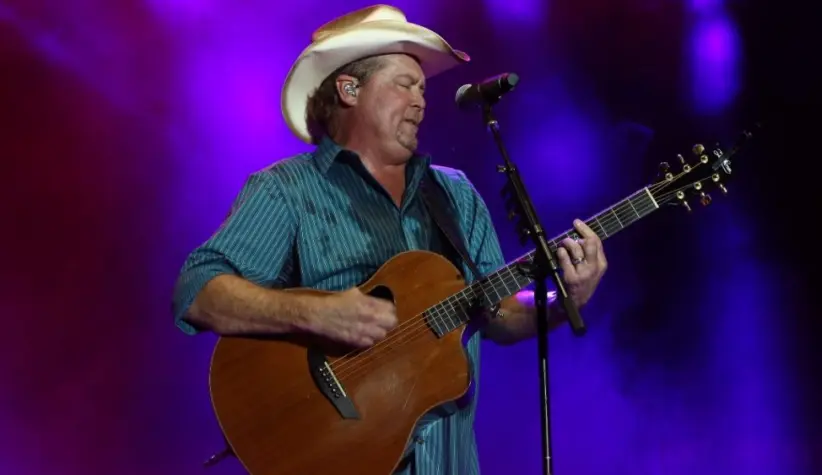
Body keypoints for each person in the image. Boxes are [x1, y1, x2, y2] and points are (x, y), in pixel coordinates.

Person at [172, 4, 608, 474]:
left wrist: (564, 301)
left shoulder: (455, 193)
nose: (421, 101)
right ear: (349, 88)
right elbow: (197, 291)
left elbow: (497, 313)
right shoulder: (286, 190)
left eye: (422, 88)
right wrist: (317, 312)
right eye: (404, 84)